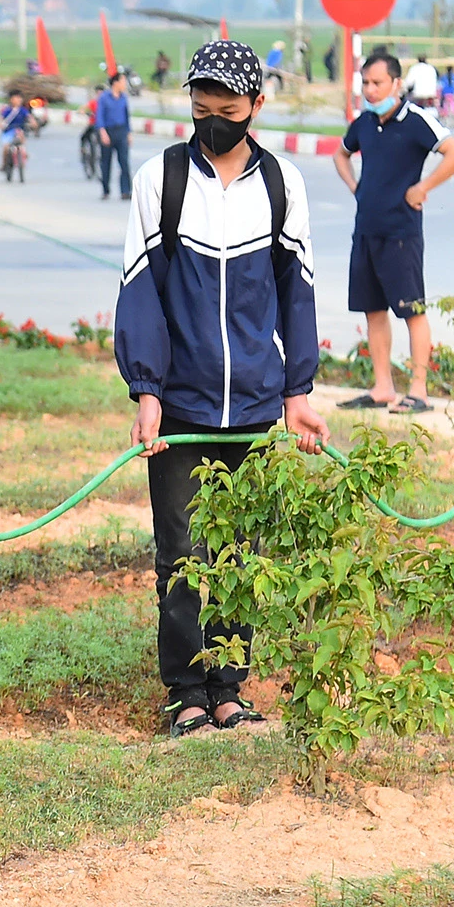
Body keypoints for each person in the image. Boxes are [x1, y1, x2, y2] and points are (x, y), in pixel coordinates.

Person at [115, 39, 328, 738]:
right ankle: (186, 692)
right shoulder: (162, 180)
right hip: (182, 405)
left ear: (256, 108)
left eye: (227, 110)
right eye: (201, 108)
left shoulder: (281, 185)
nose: (212, 120)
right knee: (181, 554)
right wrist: (147, 391)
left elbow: (298, 292)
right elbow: (139, 292)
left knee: (242, 554)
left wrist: (297, 392)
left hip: (258, 406)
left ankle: (230, 686)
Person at [331, 53, 454, 414]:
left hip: (401, 233)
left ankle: (419, 391)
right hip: (366, 231)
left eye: (377, 83)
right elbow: (341, 155)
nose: (370, 90)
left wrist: (423, 188)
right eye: (365, 83)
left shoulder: (417, 121)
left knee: (412, 310)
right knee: (373, 311)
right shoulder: (363, 122)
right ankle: (382, 388)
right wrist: (355, 188)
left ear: (396, 84)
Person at [95, 69, 132, 201]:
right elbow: (99, 117)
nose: (124, 84)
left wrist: (129, 133)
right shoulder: (104, 98)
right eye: (122, 81)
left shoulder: (123, 98)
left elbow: (127, 116)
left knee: (124, 162)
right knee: (106, 162)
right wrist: (102, 132)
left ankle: (126, 191)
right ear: (115, 82)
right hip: (108, 131)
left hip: (121, 131)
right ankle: (105, 190)